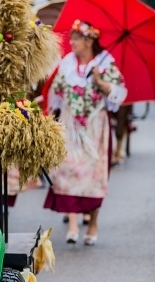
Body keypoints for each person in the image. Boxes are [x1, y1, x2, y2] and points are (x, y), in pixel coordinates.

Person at [43, 19, 127, 246]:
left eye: (76, 39)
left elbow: (119, 95)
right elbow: (55, 94)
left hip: (95, 127)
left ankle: (92, 223)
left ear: (89, 41)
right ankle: (72, 224)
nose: (71, 42)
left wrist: (101, 82)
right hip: (71, 125)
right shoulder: (67, 64)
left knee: (94, 175)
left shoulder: (105, 64)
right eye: (71, 38)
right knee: (68, 169)